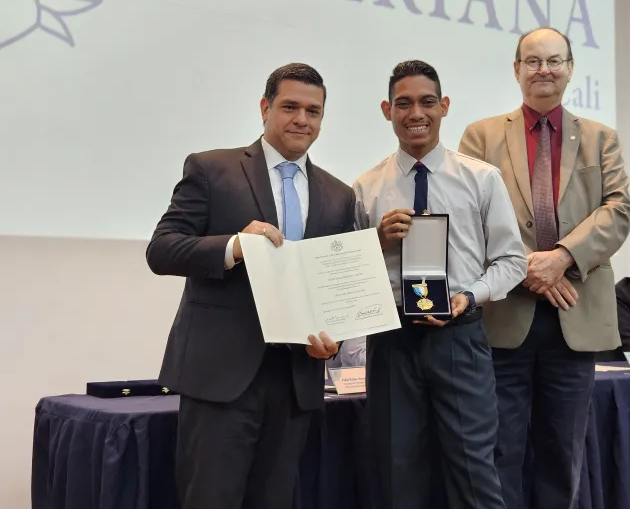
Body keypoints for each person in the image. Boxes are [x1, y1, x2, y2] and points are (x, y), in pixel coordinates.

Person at [146, 63, 354, 509]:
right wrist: (234, 245)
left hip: (295, 379)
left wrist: (333, 338)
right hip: (221, 376)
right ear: (265, 108)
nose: (302, 119)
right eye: (290, 107)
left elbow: (330, 285)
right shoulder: (210, 169)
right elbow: (161, 250)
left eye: (314, 111)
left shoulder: (339, 195)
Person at [458, 27, 630, 509]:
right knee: (499, 451)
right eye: (533, 61)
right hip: (503, 319)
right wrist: (526, 269)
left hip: (575, 317)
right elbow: (467, 215)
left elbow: (618, 210)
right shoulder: (481, 135)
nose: (544, 70)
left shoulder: (601, 139)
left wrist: (561, 259)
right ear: (516, 71)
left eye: (554, 61)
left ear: (571, 69)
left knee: (562, 453)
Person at [353, 60, 527, 509]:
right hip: (392, 341)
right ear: (386, 110)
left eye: (427, 102)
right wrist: (375, 239)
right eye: (404, 103)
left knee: (474, 475)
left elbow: (512, 261)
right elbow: (352, 270)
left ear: (444, 106)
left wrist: (469, 296)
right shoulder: (365, 188)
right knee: (397, 475)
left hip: (460, 336)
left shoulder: (481, 178)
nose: (416, 113)